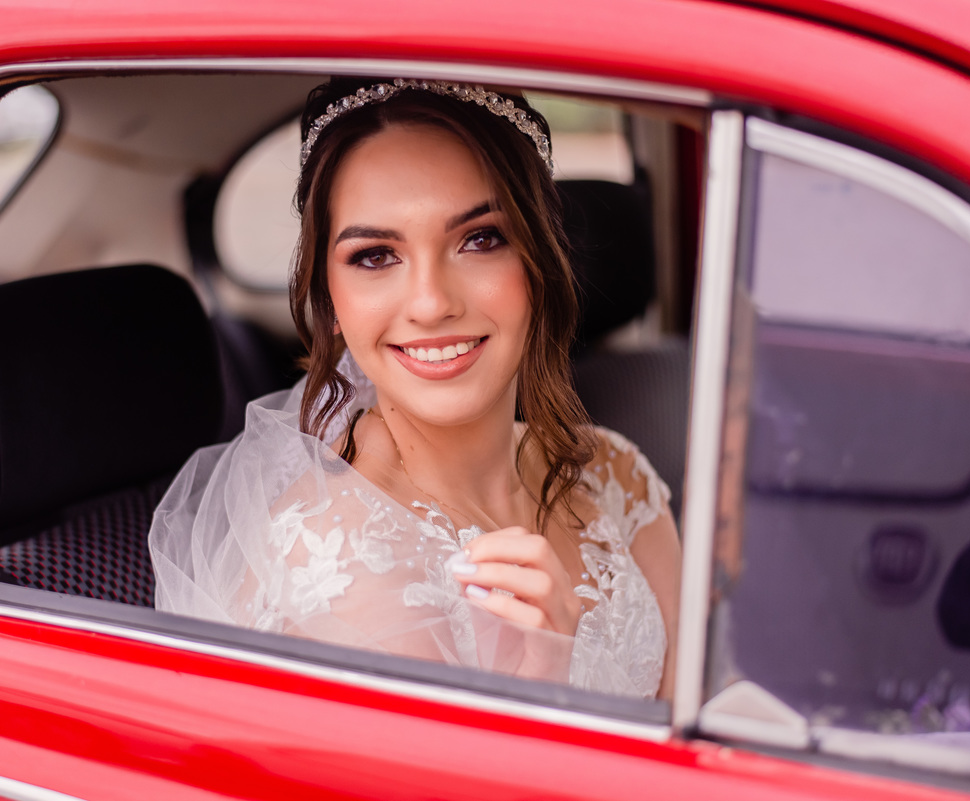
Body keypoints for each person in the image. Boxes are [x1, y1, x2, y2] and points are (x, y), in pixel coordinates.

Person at [150, 77, 682, 699]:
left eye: (481, 239)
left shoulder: (617, 474)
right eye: (375, 255)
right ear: (330, 295)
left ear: (540, 260)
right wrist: (542, 693)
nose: (430, 304)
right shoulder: (345, 570)